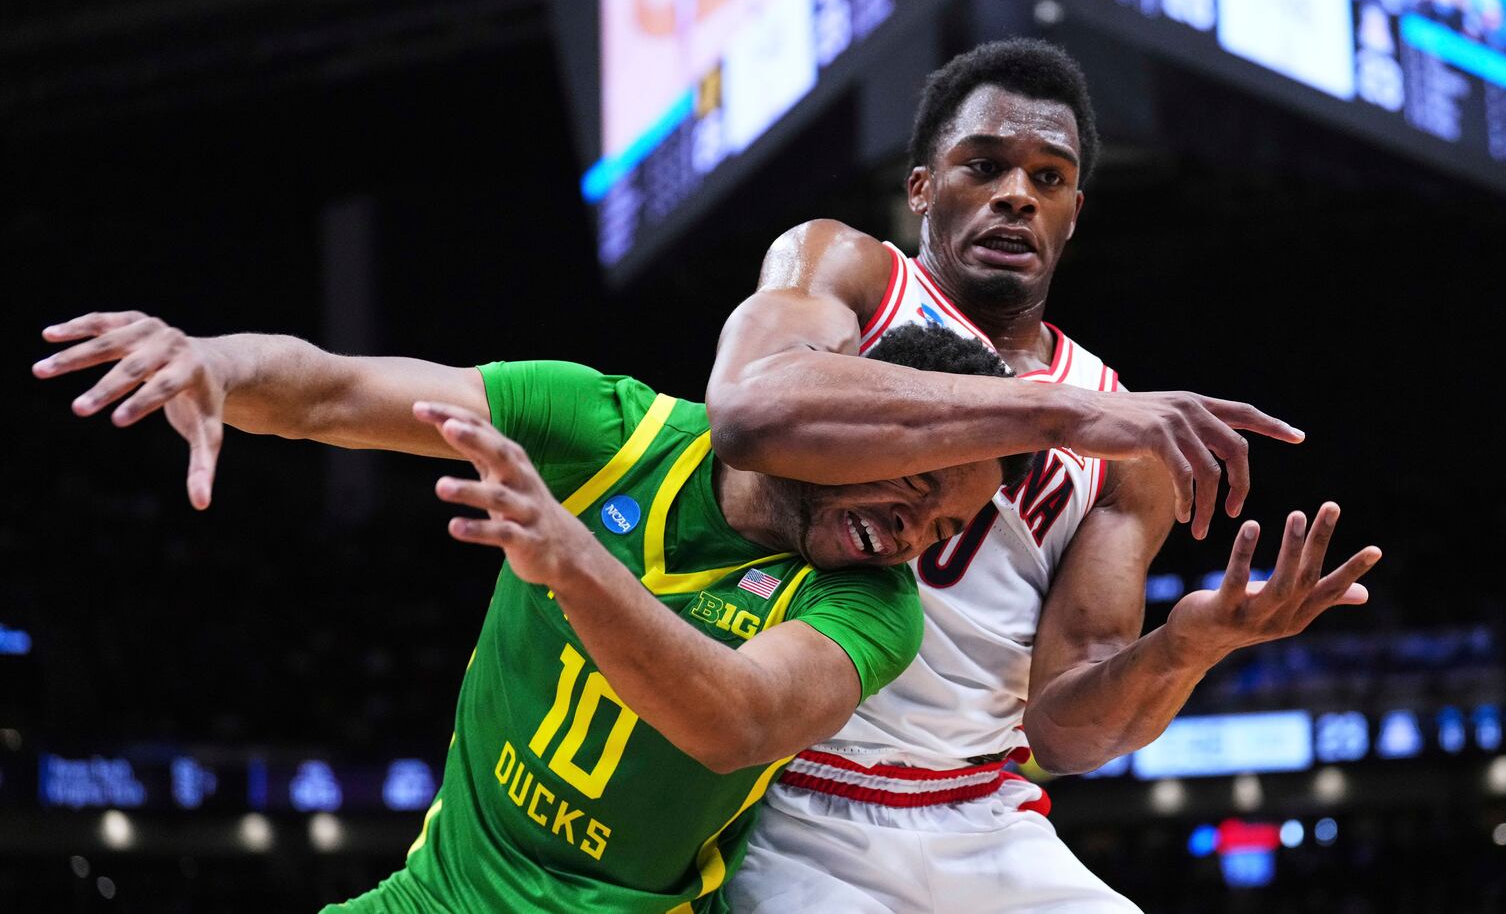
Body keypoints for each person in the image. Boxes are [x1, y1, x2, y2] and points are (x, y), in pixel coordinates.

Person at [34, 314, 1033, 912]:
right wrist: (217, 362)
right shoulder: (610, 427)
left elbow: (739, 720)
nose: (917, 533)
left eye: (948, 521)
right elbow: (334, 394)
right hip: (440, 893)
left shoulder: (874, 604)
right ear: (848, 415)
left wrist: (573, 561)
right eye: (921, 482)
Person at [705, 39, 1383, 913]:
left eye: (1048, 178)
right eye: (983, 166)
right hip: (792, 795)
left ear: (1072, 213)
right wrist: (1056, 412)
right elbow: (750, 411)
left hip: (980, 813)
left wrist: (1186, 647)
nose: (1017, 193)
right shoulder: (851, 273)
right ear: (921, 189)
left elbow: (1065, 731)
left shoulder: (1123, 434)